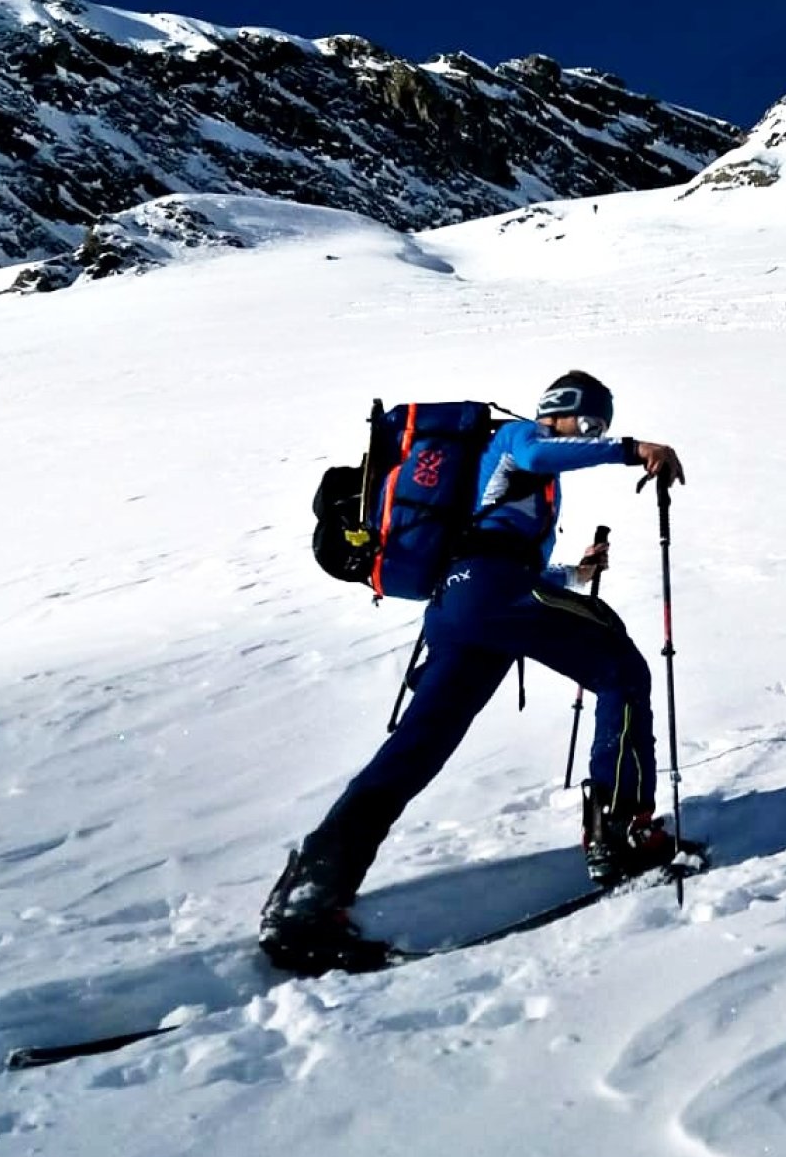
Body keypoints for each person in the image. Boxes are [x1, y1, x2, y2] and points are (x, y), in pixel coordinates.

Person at [260, 370, 687, 971]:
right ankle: (625, 836)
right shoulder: (520, 438)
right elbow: (533, 464)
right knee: (621, 669)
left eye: (600, 428)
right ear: (558, 411)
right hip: (491, 595)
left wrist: (574, 575)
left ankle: (308, 897)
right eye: (589, 423)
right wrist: (630, 449)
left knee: (417, 747)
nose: (591, 435)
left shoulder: (514, 483)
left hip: (461, 606)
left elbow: (499, 554)